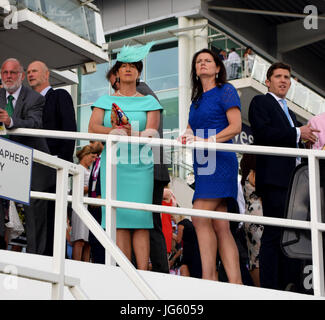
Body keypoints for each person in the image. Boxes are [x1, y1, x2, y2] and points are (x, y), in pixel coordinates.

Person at [88, 42, 162, 270]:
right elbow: (92, 129)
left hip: (141, 166)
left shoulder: (150, 101)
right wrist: (115, 131)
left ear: (139, 72)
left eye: (133, 66)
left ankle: (142, 272)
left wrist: (132, 133)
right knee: (119, 221)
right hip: (115, 166)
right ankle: (124, 272)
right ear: (117, 73)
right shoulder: (104, 100)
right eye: (123, 66)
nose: (128, 69)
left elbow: (152, 132)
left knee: (141, 221)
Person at [248, 61, 319, 291]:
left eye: (287, 77)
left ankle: (288, 285)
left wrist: (303, 138)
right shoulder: (261, 102)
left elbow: (291, 136)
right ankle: (271, 287)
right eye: (278, 76)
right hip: (275, 180)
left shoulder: (288, 110)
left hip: (294, 182)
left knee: (291, 235)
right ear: (268, 81)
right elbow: (264, 132)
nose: (283, 80)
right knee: (275, 233)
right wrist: (298, 132)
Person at [179, 48, 242, 283]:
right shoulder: (195, 101)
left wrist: (207, 140)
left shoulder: (226, 90)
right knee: (219, 225)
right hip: (202, 163)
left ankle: (209, 277)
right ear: (195, 71)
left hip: (220, 160)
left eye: (208, 61)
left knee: (199, 216)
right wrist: (185, 135)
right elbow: (191, 127)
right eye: (198, 62)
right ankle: (234, 282)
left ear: (217, 68)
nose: (203, 64)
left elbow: (235, 126)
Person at [108, 67, 170, 273]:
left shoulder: (142, 95)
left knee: (146, 224)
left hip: (145, 167)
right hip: (150, 166)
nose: (115, 92)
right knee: (141, 222)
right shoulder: (148, 95)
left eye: (114, 84)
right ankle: (145, 271)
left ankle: (154, 273)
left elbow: (146, 133)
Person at [0, 58, 54, 254]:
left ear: (21, 76)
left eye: (13, 73)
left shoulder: (35, 98)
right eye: (5, 72)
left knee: (35, 216)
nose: (8, 76)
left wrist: (11, 120)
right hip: (4, 161)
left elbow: (34, 124)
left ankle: (36, 259)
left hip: (32, 162)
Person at [27, 60, 77, 256]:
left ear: (46, 75)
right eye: (28, 71)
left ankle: (54, 259)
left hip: (54, 165)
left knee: (52, 215)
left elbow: (69, 129)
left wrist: (61, 163)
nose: (30, 74)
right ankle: (36, 256)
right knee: (35, 216)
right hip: (32, 167)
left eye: (34, 71)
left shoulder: (59, 96)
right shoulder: (26, 103)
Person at [240, 153, 263, 287]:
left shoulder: (246, 176)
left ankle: (258, 289)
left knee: (254, 258)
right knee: (258, 258)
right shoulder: (254, 173)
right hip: (258, 215)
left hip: (250, 215)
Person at [70, 145, 97, 261]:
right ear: (85, 155)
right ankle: (76, 263)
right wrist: (92, 188)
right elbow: (77, 189)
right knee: (80, 239)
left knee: (88, 241)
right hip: (80, 206)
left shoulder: (89, 170)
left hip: (89, 206)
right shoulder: (78, 168)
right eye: (91, 157)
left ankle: (86, 264)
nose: (93, 160)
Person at [87, 140, 105, 264]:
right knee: (93, 241)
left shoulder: (108, 158)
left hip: (102, 206)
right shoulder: (96, 160)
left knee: (102, 242)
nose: (90, 144)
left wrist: (101, 196)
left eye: (93, 141)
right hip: (92, 206)